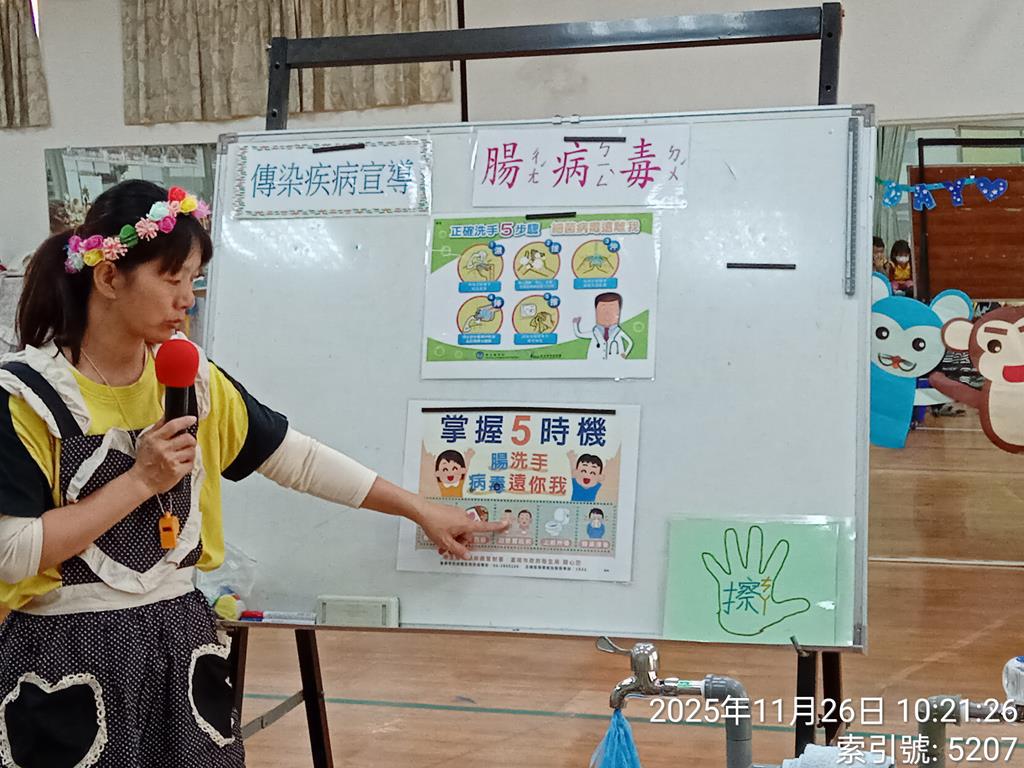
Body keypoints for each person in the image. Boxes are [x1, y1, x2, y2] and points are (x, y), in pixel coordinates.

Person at [0, 180, 506, 767]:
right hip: (63, 653)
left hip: (178, 638)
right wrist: (139, 482)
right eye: (172, 279)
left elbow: (296, 459)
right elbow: (14, 552)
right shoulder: (25, 397)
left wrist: (419, 507)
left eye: (194, 280)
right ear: (109, 277)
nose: (187, 300)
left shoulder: (194, 380)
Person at [572, 292, 633, 360]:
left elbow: (630, 342)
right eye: (603, 309)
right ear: (596, 311)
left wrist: (625, 353)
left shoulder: (619, 332)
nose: (607, 313)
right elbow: (579, 334)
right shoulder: (594, 333)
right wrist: (575, 323)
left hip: (616, 363)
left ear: (619, 311)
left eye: (612, 309)